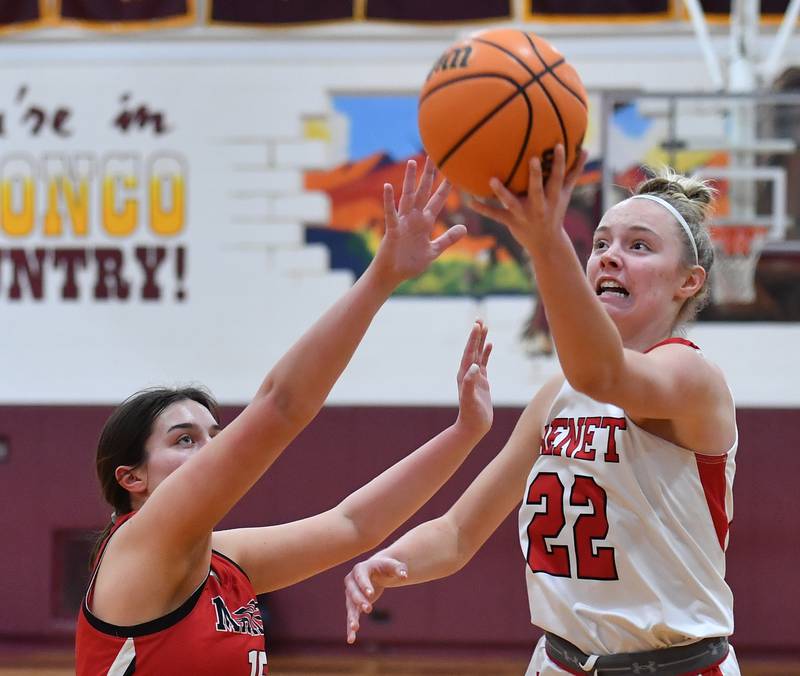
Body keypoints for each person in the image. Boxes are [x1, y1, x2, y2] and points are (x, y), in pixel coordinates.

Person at [74, 158, 495, 676]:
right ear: (131, 478)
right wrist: (382, 276)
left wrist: (464, 433)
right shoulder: (140, 543)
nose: (210, 449)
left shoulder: (221, 562)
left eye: (214, 434)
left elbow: (353, 525)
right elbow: (280, 406)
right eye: (184, 440)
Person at [344, 146, 740, 676]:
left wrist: (544, 239)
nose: (610, 255)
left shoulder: (692, 378)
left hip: (676, 666)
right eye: (600, 244)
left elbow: (603, 373)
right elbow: (459, 533)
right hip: (560, 663)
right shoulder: (559, 394)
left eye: (639, 246)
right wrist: (388, 564)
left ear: (688, 281)